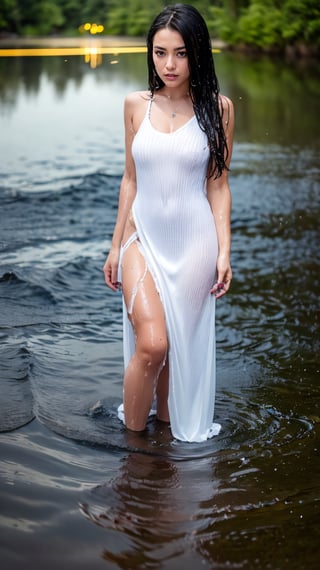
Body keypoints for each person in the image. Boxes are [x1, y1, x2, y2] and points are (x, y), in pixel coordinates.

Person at [103, 3, 234, 443]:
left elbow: (217, 186)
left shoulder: (219, 109)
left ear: (198, 53)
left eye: (180, 53)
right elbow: (130, 179)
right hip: (143, 239)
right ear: (150, 53)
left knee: (174, 353)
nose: (170, 65)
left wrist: (225, 251)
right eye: (160, 53)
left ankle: (162, 439)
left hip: (196, 245)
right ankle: (133, 454)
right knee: (153, 344)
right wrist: (115, 245)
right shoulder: (135, 105)